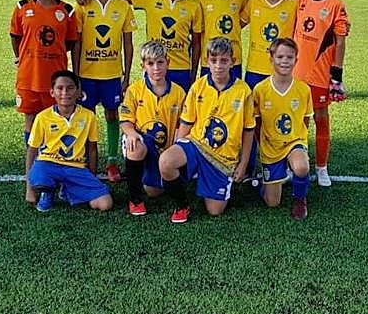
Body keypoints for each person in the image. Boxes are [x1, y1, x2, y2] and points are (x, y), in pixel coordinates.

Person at [158, 36, 255, 222]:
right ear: (207, 62)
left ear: (232, 62)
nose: (218, 66)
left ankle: (209, 180)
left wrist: (243, 165)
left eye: (224, 61)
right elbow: (186, 123)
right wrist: (177, 151)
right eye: (214, 60)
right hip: (196, 144)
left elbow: (248, 131)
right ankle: (182, 204)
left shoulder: (244, 91)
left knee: (214, 211)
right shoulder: (198, 86)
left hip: (223, 158)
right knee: (166, 162)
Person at [11, 0, 79, 205]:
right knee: (32, 129)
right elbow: (16, 37)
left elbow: (71, 44)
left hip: (56, 83)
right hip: (29, 78)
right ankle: (31, 182)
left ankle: (56, 180)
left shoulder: (67, 12)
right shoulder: (21, 8)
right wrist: (22, 58)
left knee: (57, 127)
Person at [75, 0, 135, 184]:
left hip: (111, 75)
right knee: (87, 118)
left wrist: (126, 76)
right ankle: (87, 160)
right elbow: (77, 42)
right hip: (87, 75)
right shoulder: (82, 5)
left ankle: (111, 161)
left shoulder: (123, 6)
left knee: (112, 114)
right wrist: (77, 74)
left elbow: (127, 43)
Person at [293, 0, 350, 188]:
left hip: (319, 75)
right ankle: (298, 163)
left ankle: (322, 167)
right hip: (296, 74)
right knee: (299, 122)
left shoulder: (336, 5)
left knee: (321, 118)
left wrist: (336, 75)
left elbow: (340, 40)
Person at [25, 70, 113, 213]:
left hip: (76, 167)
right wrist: (29, 188)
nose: (65, 92)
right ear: (52, 92)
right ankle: (47, 192)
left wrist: (90, 177)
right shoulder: (43, 117)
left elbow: (92, 149)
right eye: (60, 88)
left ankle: (67, 189)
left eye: (70, 88)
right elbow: (32, 150)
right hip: (49, 164)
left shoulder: (88, 116)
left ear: (78, 92)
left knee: (105, 204)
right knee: (40, 176)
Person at [119, 39, 186, 217]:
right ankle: (135, 200)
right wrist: (132, 134)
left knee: (154, 192)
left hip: (164, 149)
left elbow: (183, 124)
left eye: (160, 62)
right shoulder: (134, 90)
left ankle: (148, 175)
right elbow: (125, 120)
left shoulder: (179, 93)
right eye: (150, 64)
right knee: (136, 147)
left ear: (167, 63)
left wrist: (175, 147)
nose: (156, 68)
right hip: (142, 142)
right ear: (143, 66)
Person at [252, 37, 313, 220]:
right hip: (271, 147)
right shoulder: (260, 90)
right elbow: (257, 123)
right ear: (271, 59)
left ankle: (299, 199)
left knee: (301, 167)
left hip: (294, 141)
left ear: (296, 59)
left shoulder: (303, 90)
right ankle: (268, 183)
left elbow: (305, 121)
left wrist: (298, 141)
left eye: (289, 57)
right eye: (280, 57)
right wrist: (265, 142)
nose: (284, 61)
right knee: (273, 203)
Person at [130, 0, 203, 91]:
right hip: (154, 66)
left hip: (181, 68)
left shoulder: (194, 6)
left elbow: (197, 44)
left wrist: (192, 74)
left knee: (180, 108)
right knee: (152, 107)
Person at [242, 0, 297, 92]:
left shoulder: (294, 5)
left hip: (281, 70)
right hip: (254, 70)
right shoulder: (254, 2)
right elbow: (236, 26)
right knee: (252, 112)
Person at [195, 0, 247, 80]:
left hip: (233, 59)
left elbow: (242, 20)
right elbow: (198, 29)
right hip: (210, 59)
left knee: (233, 94)